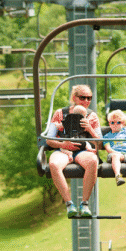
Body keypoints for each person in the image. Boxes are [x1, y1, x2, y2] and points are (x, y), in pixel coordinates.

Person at [45, 85, 102, 218]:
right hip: (63, 150)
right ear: (74, 98)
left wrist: (90, 129)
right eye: (83, 97)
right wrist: (63, 143)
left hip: (82, 151)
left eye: (89, 98)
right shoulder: (61, 113)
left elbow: (99, 143)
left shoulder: (92, 116)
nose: (86, 101)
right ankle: (69, 203)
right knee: (53, 164)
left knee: (93, 160)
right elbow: (49, 139)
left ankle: (85, 203)